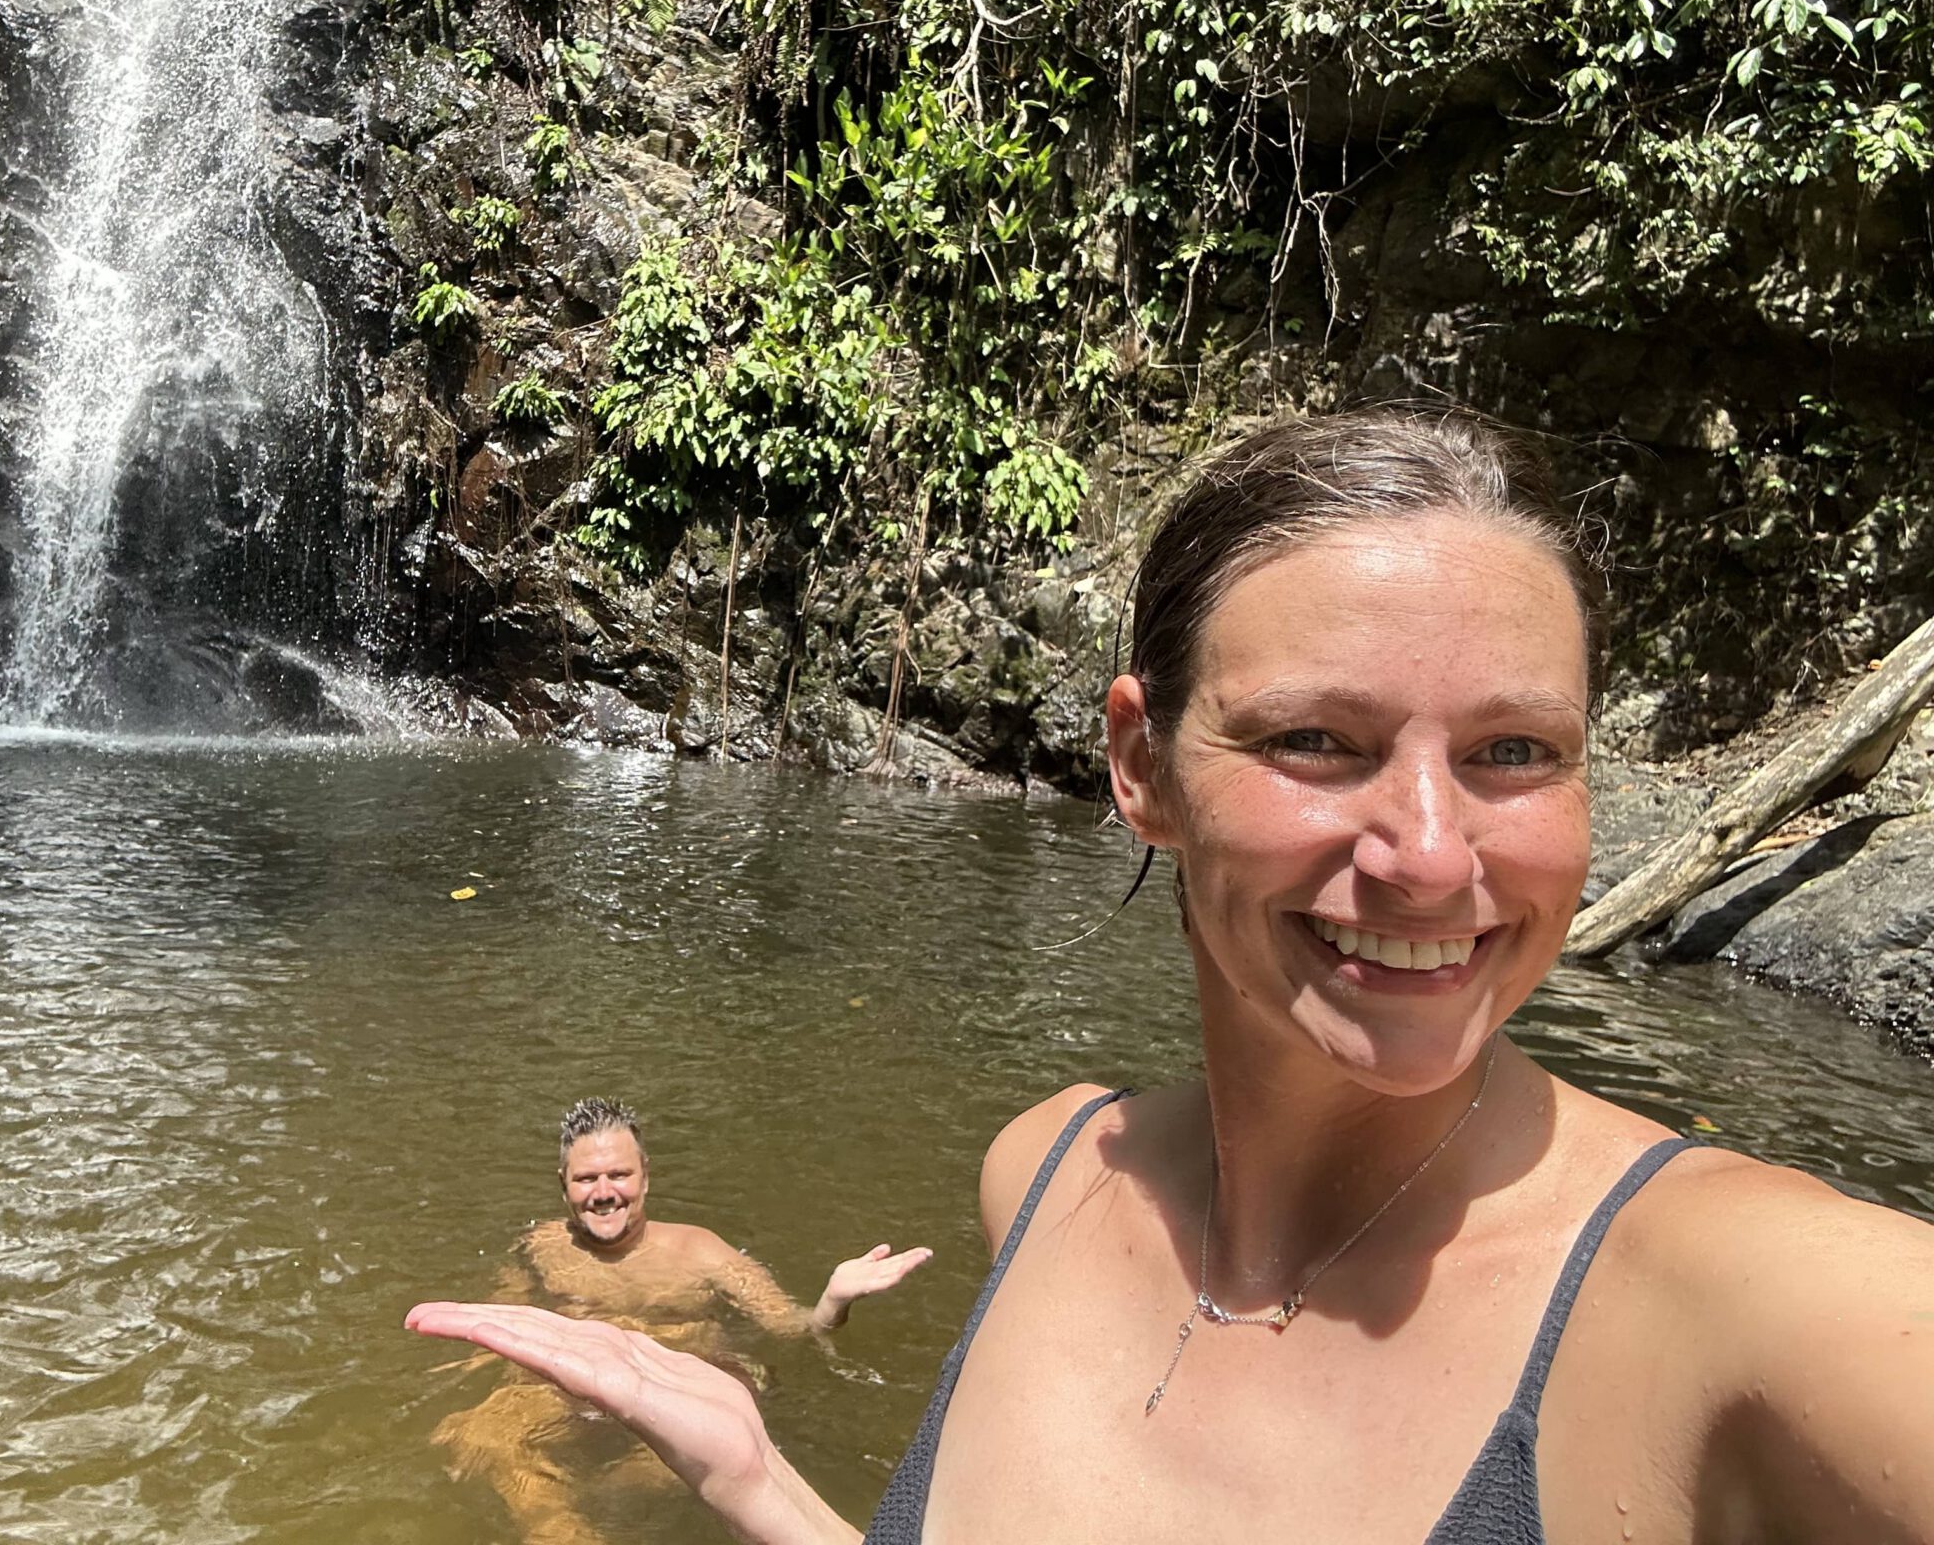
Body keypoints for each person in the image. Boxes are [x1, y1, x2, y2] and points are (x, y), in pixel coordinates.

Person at [408, 410, 1934, 1544]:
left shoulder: (1767, 1310)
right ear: (1141, 766)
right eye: (1317, 742)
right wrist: (762, 1483)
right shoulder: (1048, 1174)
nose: (1426, 853)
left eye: (1513, 753)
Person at [426, 1096, 930, 1544]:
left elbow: (788, 1327)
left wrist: (833, 1300)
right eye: (586, 1179)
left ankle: (607, 1501)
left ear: (645, 1174)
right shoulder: (541, 1248)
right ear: (564, 1186)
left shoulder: (701, 1252)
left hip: (685, 1388)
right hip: (570, 1386)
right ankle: (561, 1531)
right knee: (476, 1435)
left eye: (618, 1174)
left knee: (664, 1470)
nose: (603, 1192)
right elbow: (500, 1321)